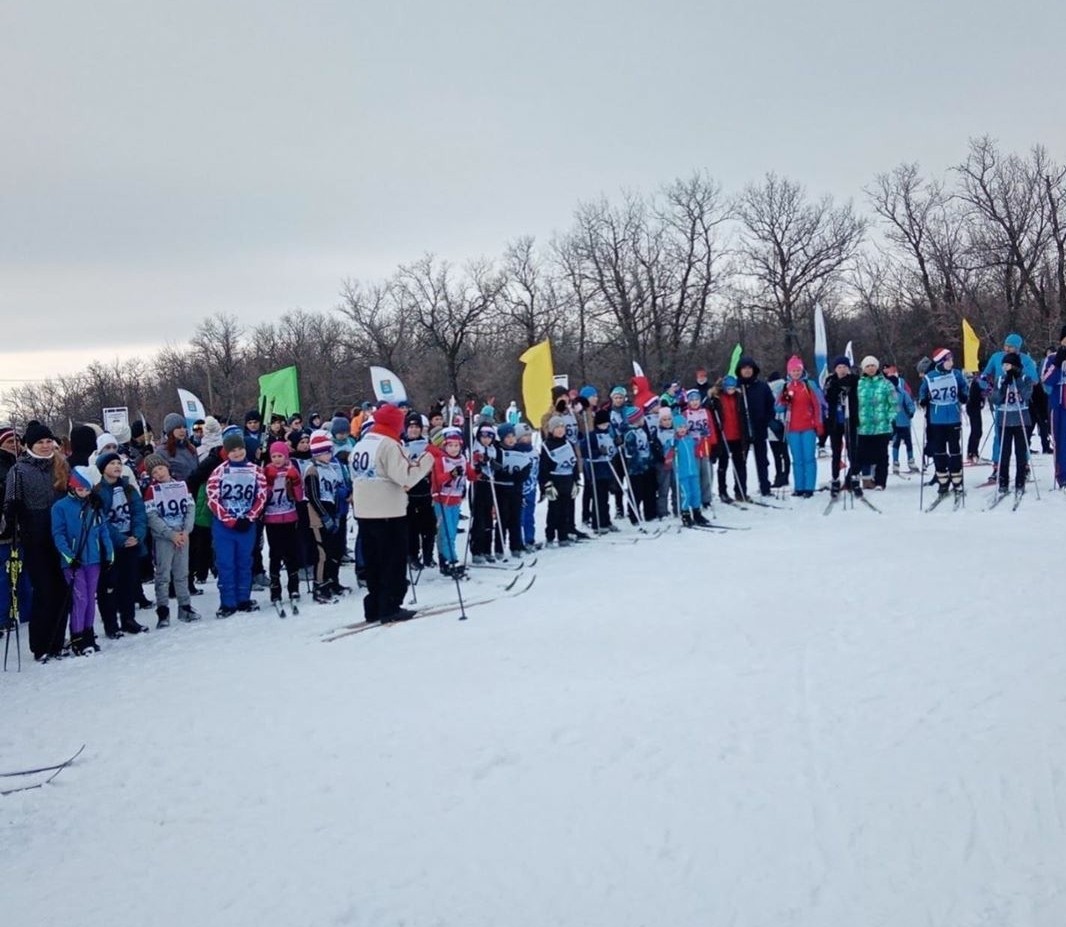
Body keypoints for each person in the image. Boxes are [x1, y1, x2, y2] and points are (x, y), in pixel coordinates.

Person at [350, 403, 434, 623]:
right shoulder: (389, 444)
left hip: (364, 511)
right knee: (392, 561)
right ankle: (390, 606)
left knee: (373, 562)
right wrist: (427, 459)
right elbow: (405, 477)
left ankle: (374, 606)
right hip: (388, 511)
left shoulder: (362, 443)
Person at [50, 466, 113, 655]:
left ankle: (88, 634)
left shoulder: (93, 505)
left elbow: (103, 530)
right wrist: (69, 556)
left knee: (90, 598)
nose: (84, 493)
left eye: (87, 490)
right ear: (72, 487)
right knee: (81, 598)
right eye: (80, 489)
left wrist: (108, 554)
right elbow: (58, 534)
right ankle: (76, 637)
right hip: (73, 561)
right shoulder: (60, 507)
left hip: (93, 559)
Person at [206, 429, 268, 617]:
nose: (237, 453)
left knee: (244, 562)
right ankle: (227, 602)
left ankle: (243, 598)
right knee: (226, 563)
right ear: (227, 452)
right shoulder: (219, 472)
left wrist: (250, 516)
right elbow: (212, 498)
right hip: (225, 526)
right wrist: (229, 519)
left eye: (240, 449)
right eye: (233, 450)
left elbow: (262, 495)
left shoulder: (256, 471)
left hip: (246, 524)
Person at [96, 449, 149, 637]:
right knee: (109, 585)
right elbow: (101, 519)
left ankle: (129, 619)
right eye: (112, 464)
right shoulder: (98, 491)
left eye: (119, 463)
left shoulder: (128, 488)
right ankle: (111, 624)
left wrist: (137, 535)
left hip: (131, 540)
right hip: (111, 544)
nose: (117, 466)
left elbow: (139, 512)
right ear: (103, 469)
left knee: (129, 581)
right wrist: (120, 539)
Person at [143, 454, 198, 627]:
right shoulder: (151, 491)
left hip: (183, 534)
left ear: (167, 467)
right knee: (163, 574)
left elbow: (190, 507)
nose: (158, 473)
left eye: (160, 468)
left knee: (182, 572)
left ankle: (185, 606)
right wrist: (169, 534)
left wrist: (186, 530)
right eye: (154, 471)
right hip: (164, 538)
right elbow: (151, 516)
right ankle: (163, 610)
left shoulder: (181, 486)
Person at [981, 333, 1039, 481]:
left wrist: (1019, 376)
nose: (1007, 349)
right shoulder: (996, 357)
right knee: (999, 436)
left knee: (1022, 438)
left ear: (1018, 348)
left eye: (1011, 347)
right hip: (1002, 402)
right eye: (1006, 345)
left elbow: (1035, 380)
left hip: (1019, 404)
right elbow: (985, 375)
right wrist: (987, 388)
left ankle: (1024, 465)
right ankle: (997, 465)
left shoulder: (1026, 360)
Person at [918, 348, 969, 497]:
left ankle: (957, 481)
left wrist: (963, 395)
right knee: (939, 451)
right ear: (941, 362)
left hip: (953, 417)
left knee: (954, 450)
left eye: (952, 360)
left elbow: (964, 388)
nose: (951, 363)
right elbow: (922, 392)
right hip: (937, 419)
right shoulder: (930, 376)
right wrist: (923, 400)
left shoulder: (956, 374)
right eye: (948, 360)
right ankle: (943, 481)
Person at [305, 430, 349, 603]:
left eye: (329, 451)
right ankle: (319, 586)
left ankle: (333, 581)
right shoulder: (312, 470)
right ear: (316, 453)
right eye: (324, 452)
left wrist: (337, 513)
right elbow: (313, 496)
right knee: (322, 553)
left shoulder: (331, 469)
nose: (328, 455)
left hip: (332, 510)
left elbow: (337, 491)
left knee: (335, 550)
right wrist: (324, 517)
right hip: (318, 515)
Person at [262, 441, 305, 611]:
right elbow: (263, 496)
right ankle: (275, 589)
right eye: (274, 456)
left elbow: (299, 496)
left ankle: (293, 588)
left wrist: (294, 480)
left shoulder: (291, 470)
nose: (277, 459)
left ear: (286, 456)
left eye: (280, 456)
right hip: (272, 518)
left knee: (291, 554)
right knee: (275, 554)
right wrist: (269, 483)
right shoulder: (267, 471)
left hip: (289, 516)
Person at [429, 427, 476, 577]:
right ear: (444, 446)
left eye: (457, 446)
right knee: (446, 531)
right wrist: (451, 474)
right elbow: (436, 482)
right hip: (442, 500)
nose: (454, 449)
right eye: (450, 445)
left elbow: (472, 476)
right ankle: (449, 559)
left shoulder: (462, 459)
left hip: (455, 500)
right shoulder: (440, 460)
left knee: (452, 531)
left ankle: (448, 559)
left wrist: (478, 469)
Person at [776, 356, 824, 497]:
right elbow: (778, 408)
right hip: (792, 429)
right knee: (797, 459)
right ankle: (799, 487)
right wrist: (785, 401)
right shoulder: (786, 386)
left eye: (798, 370)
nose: (796, 373)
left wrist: (819, 424)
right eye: (793, 370)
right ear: (789, 372)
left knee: (809, 458)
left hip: (808, 427)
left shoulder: (809, 385)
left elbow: (818, 406)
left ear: (802, 370)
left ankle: (809, 487)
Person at [0, 427, 32, 629]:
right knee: (5, 576)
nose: (14, 446)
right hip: (5, 530)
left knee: (24, 576)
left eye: (16, 442)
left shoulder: (22, 464)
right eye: (9, 442)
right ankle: (4, 616)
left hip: (24, 528)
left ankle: (27, 614)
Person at [854, 356, 898, 492]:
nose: (871, 368)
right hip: (864, 427)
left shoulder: (885, 383)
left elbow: (894, 403)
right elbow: (853, 403)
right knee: (864, 455)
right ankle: (866, 480)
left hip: (881, 427)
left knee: (881, 455)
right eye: (868, 366)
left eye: (873, 365)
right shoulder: (859, 384)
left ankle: (880, 481)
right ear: (863, 368)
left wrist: (889, 418)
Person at [992, 352, 1033, 495]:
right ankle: (1003, 481)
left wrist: (1017, 381)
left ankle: (1020, 482)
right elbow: (995, 399)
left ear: (1015, 366)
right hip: (1004, 419)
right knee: (1004, 452)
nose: (1005, 368)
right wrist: (1004, 387)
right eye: (1004, 365)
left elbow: (1027, 395)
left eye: (1008, 365)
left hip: (1021, 418)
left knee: (1020, 452)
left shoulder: (1025, 378)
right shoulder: (1000, 379)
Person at [735, 356, 776, 497]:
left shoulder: (762, 386)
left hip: (759, 428)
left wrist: (767, 420)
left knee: (762, 461)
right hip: (742, 431)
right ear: (739, 371)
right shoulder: (736, 387)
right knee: (741, 462)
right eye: (744, 368)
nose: (747, 371)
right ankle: (740, 490)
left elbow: (771, 405)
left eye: (749, 368)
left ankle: (765, 487)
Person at [402, 413, 437, 569]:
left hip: (425, 491)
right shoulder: (401, 443)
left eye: (417, 427)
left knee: (429, 526)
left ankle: (429, 555)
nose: (414, 430)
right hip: (409, 492)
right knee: (412, 528)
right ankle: (412, 556)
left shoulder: (427, 443)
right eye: (411, 427)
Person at [539, 415, 578, 546]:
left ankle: (563, 535)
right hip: (555, 481)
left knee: (565, 510)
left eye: (562, 427)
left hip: (567, 480)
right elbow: (543, 468)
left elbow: (575, 464)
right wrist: (546, 485)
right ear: (551, 430)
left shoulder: (568, 444)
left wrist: (576, 481)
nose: (560, 430)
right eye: (557, 428)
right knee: (554, 511)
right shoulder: (546, 446)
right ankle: (550, 535)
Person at [823, 356, 858, 497]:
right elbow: (827, 397)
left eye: (844, 367)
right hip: (835, 421)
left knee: (852, 451)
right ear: (835, 369)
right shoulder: (830, 380)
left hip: (851, 420)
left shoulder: (854, 380)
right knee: (836, 452)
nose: (842, 370)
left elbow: (858, 396)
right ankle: (835, 479)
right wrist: (835, 390)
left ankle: (853, 479)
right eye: (839, 367)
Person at [709, 376, 748, 502]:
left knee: (740, 465)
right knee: (723, 464)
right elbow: (710, 411)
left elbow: (742, 415)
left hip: (737, 436)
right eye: (728, 388)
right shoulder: (717, 398)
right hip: (724, 436)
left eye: (733, 388)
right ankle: (722, 491)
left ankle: (740, 490)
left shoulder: (739, 397)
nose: (731, 390)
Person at [156, 413, 200, 484]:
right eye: (178, 427)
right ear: (170, 430)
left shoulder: (191, 448)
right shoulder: (161, 452)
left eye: (184, 427)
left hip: (195, 491)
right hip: (175, 491)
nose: (182, 430)